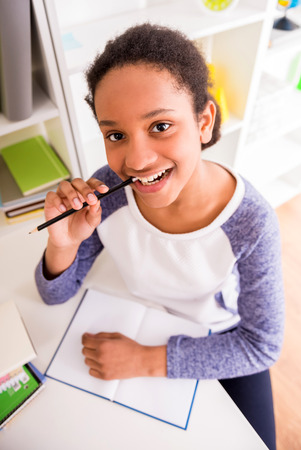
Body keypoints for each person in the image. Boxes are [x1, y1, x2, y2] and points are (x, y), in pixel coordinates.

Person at [35, 24, 284, 449]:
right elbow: (55, 294)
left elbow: (260, 347)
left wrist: (146, 359)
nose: (136, 159)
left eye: (161, 126)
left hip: (219, 339)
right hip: (140, 319)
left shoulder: (251, 223)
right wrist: (63, 244)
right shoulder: (107, 192)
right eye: (116, 135)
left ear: (203, 121)